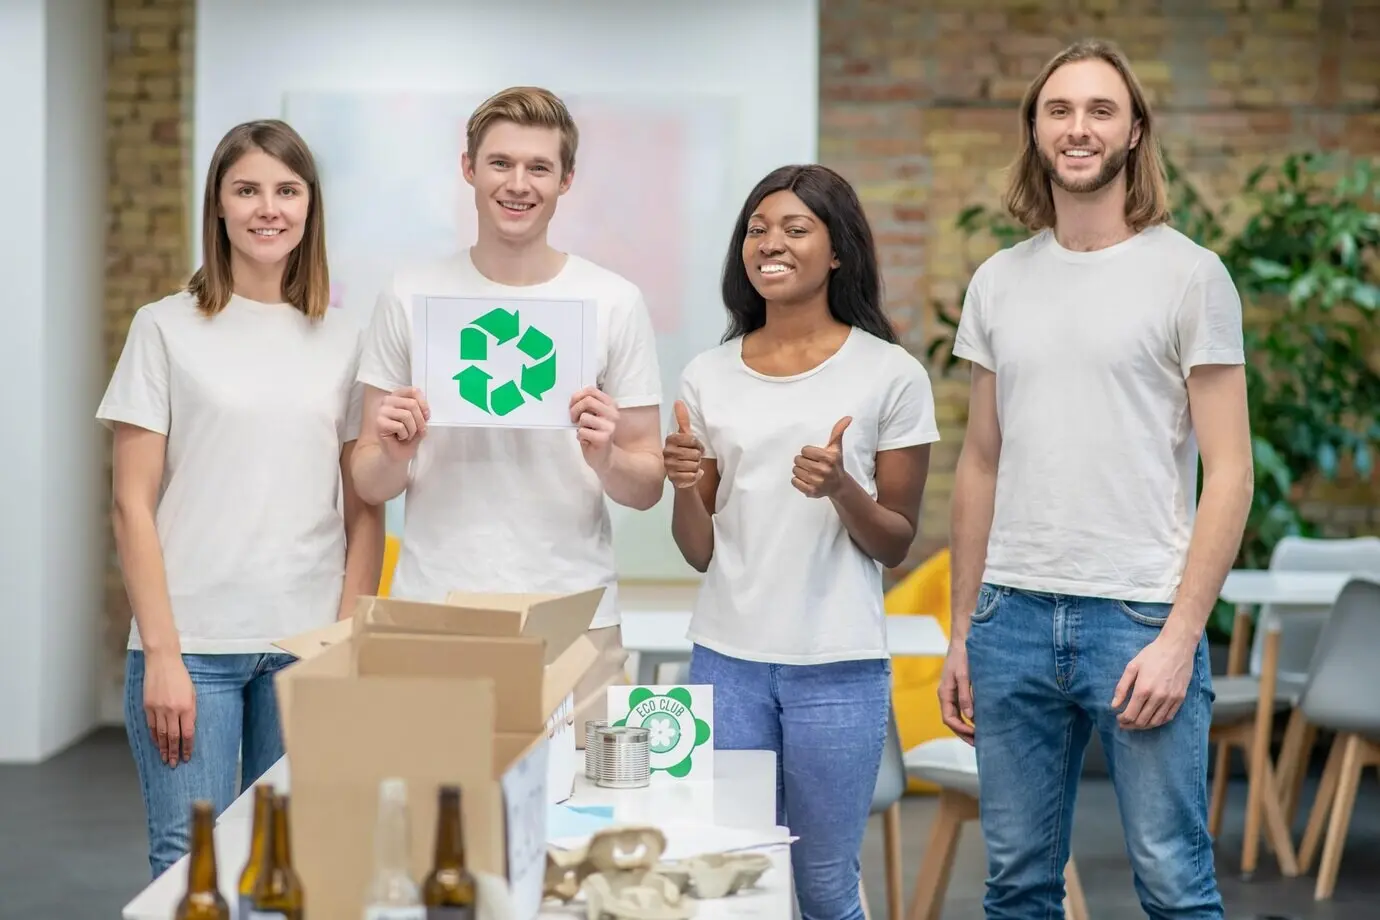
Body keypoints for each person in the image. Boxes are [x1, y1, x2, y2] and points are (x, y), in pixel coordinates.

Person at [939, 38, 1249, 919]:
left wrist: (1183, 636)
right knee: (1016, 888)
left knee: (1174, 885)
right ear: (1036, 131)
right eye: (1060, 111)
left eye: (1100, 110)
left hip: (1139, 618)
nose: (1079, 128)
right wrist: (964, 631)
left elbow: (1230, 470)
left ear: (1134, 131)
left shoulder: (1190, 275)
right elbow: (981, 461)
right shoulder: (999, 281)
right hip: (1011, 619)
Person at [97, 119, 383, 878]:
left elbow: (364, 509)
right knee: (187, 869)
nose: (269, 208)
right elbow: (131, 505)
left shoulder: (348, 338)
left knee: (288, 868)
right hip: (193, 649)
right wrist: (161, 654)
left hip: (303, 648)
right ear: (217, 205)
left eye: (287, 190)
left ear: (309, 207)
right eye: (247, 189)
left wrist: (347, 641)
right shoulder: (162, 328)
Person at [663, 164, 939, 919]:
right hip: (726, 663)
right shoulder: (708, 374)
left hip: (837, 669)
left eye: (794, 228)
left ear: (838, 250)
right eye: (757, 228)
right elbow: (698, 550)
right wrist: (685, 482)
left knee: (823, 883)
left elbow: (896, 542)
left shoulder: (890, 374)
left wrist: (843, 487)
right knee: (733, 885)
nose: (769, 243)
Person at [350, 87, 664, 741]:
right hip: (436, 609)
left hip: (576, 614)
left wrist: (606, 455)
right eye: (500, 163)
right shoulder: (409, 294)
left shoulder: (613, 301)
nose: (518, 184)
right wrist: (396, 450)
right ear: (468, 168)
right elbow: (368, 482)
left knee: (585, 826)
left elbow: (646, 484)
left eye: (539, 168)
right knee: (437, 822)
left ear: (566, 180)